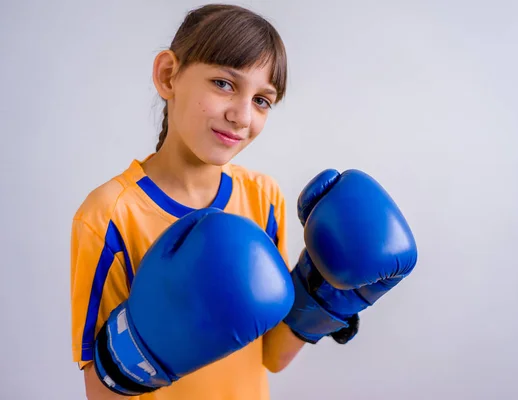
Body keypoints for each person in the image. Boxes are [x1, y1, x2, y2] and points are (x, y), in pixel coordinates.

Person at [71, 4, 419, 400]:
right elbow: (101, 392)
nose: (241, 115)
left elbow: (271, 356)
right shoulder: (110, 214)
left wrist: (325, 293)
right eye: (223, 83)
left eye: (262, 100)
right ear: (168, 76)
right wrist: (145, 348)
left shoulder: (263, 197)